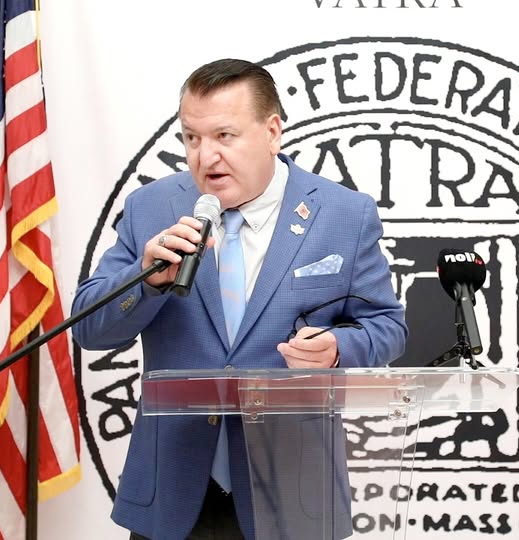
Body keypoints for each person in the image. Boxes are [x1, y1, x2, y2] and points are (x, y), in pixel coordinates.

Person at [72, 59, 408, 540]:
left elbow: (387, 325)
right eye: (191, 138)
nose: (205, 157)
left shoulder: (344, 214)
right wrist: (145, 282)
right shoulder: (151, 208)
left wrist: (337, 348)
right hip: (172, 495)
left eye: (224, 136)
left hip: (292, 494)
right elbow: (89, 328)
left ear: (272, 132)